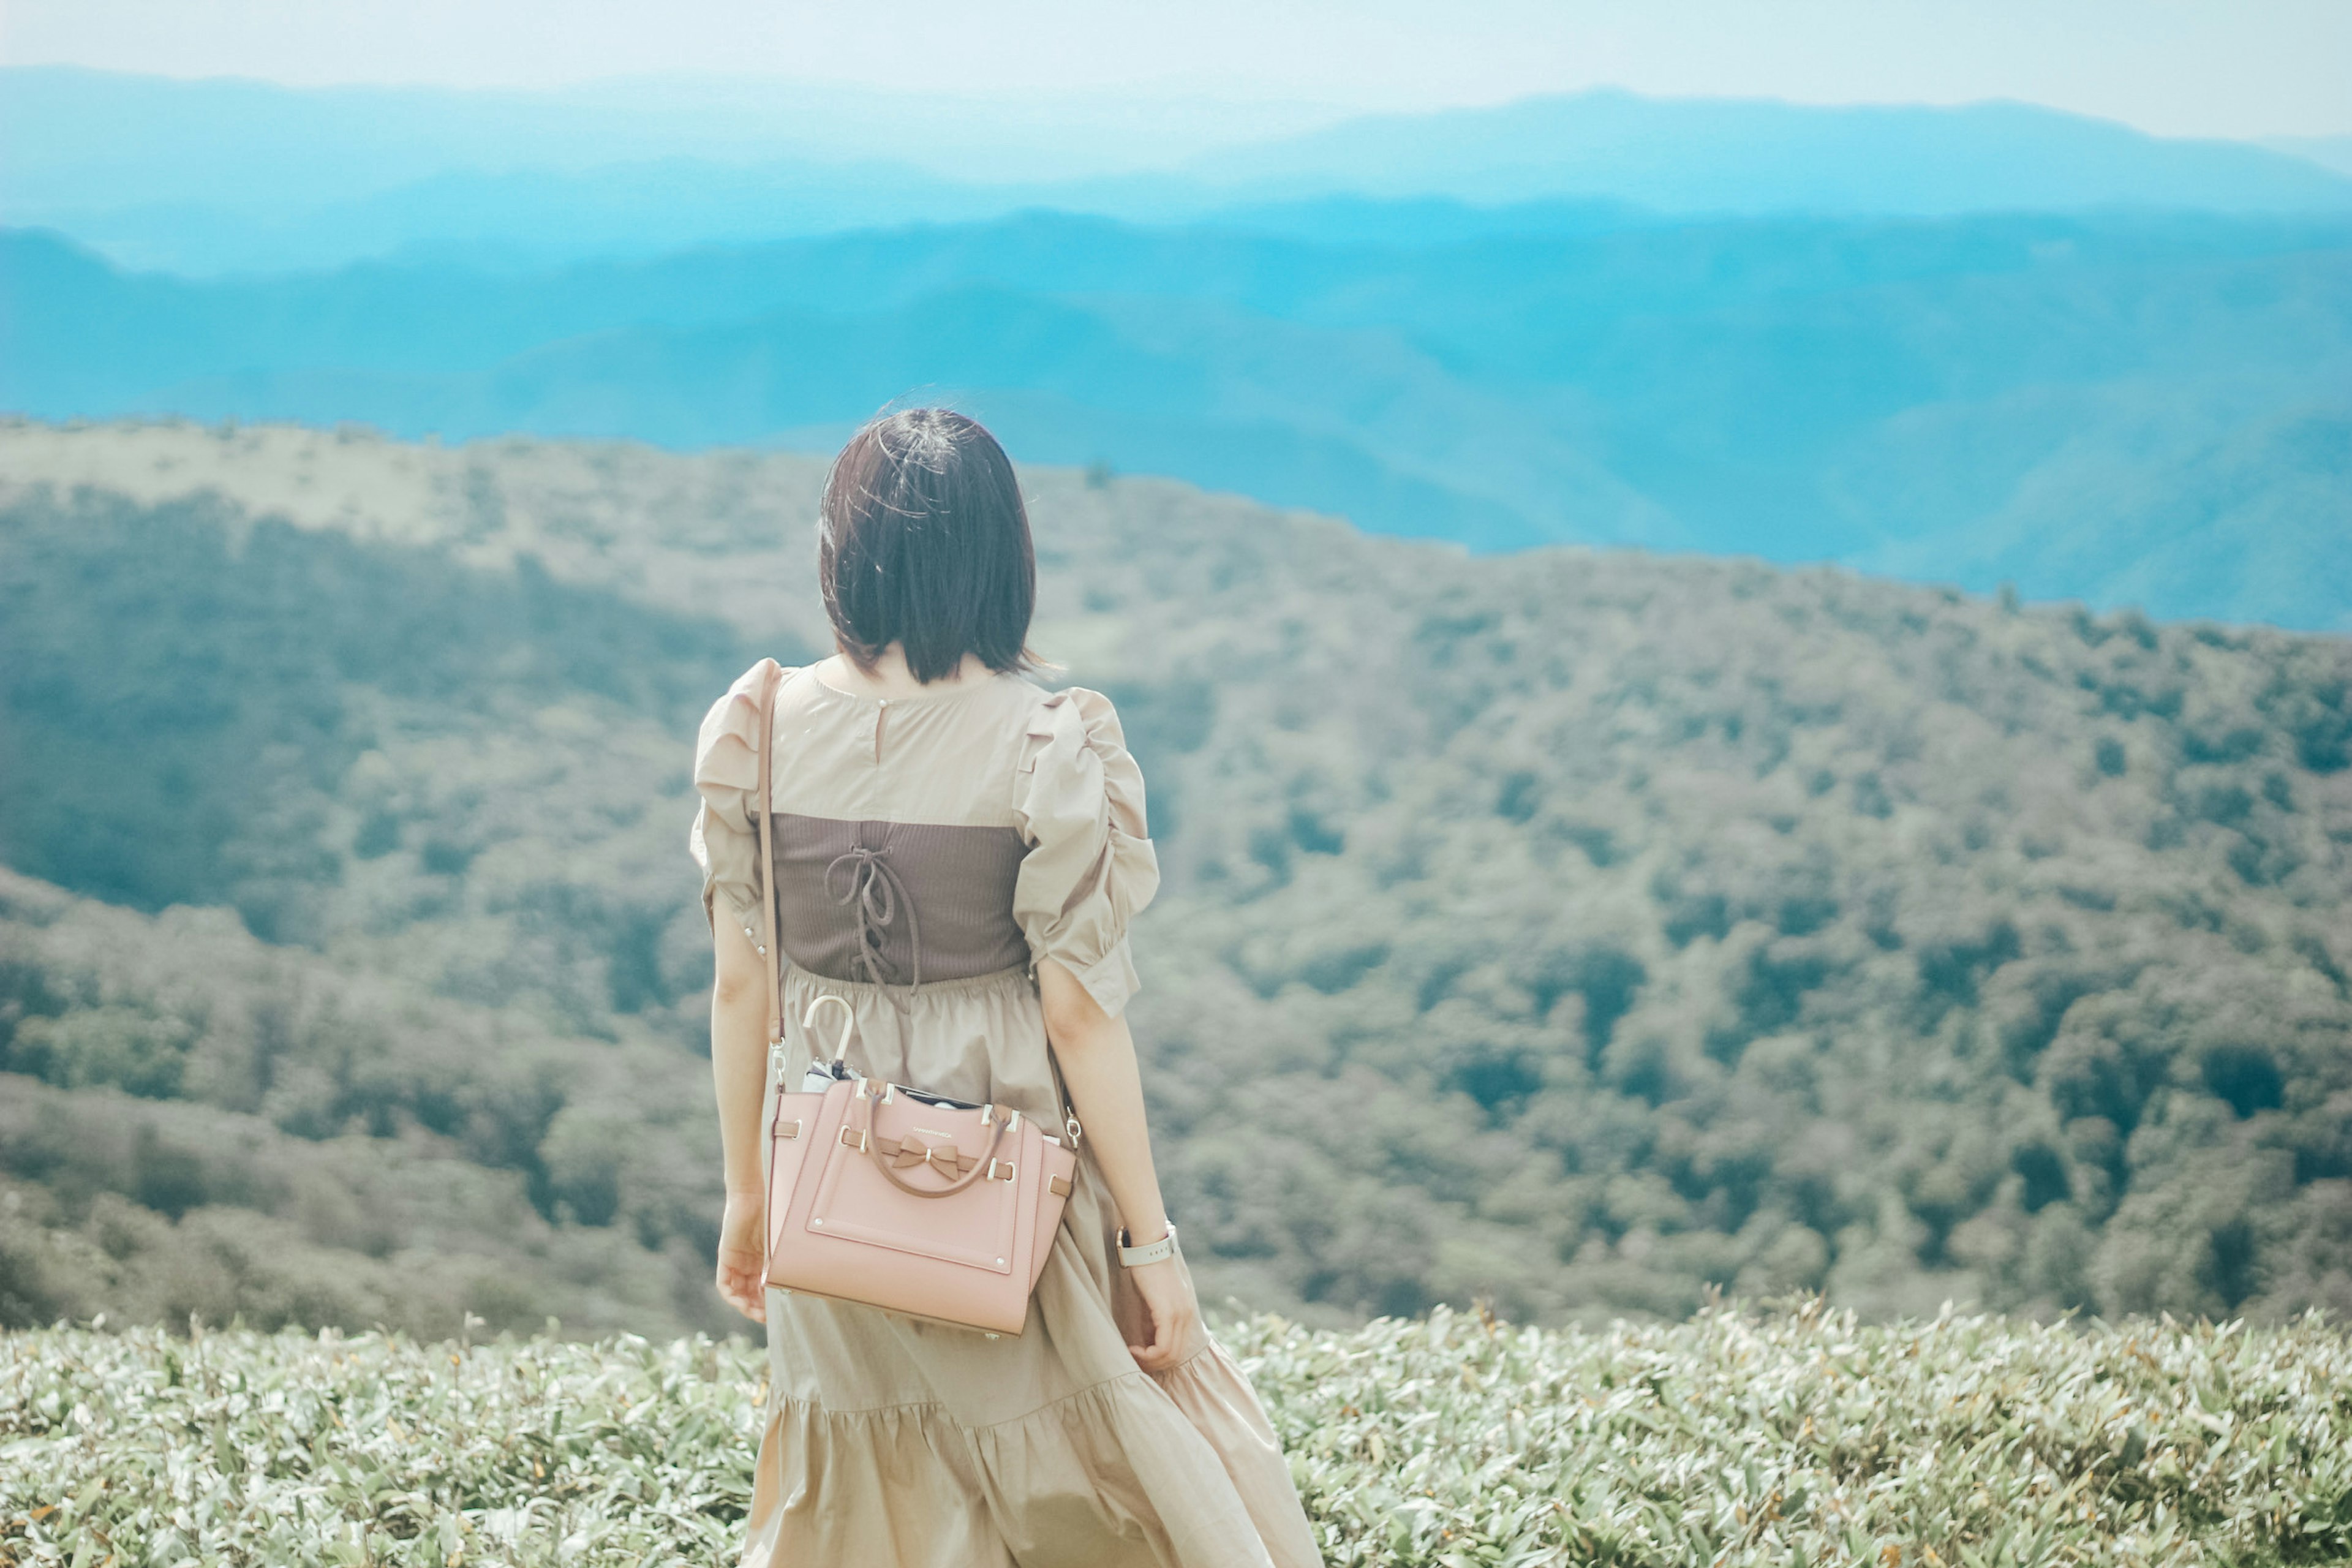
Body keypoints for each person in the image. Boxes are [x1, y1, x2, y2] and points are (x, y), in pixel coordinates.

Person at [689, 408, 1322, 1567]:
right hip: (999, 1175)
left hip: (825, 1186)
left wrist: (746, 1193)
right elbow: (1079, 1012)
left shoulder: (760, 725)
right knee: (1107, 1484)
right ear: (1001, 557)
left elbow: (743, 987)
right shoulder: (1047, 743)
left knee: (869, 1496)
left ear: (842, 553)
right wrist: (1148, 1244)